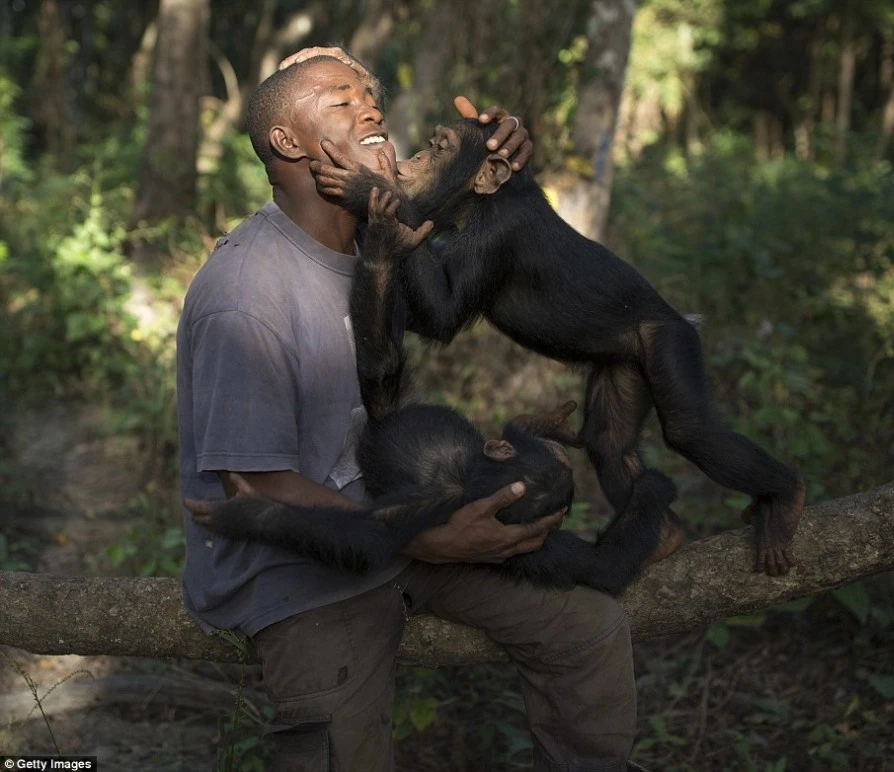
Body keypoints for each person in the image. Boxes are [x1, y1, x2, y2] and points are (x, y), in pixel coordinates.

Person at [177, 47, 643, 772]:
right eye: (339, 99)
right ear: (288, 144)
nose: (369, 107)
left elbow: (471, 261)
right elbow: (256, 489)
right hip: (293, 566)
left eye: (370, 95)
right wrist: (426, 540)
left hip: (399, 521)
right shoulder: (246, 294)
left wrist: (498, 159)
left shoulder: (378, 235)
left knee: (590, 631)